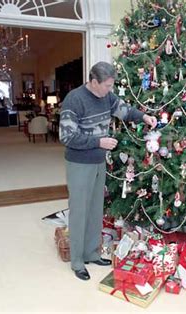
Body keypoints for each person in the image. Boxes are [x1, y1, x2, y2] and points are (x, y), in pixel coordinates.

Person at [59, 61, 157, 281]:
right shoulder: (74, 100)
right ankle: (77, 261)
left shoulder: (107, 97)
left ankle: (92, 253)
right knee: (79, 210)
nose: (110, 90)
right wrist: (99, 142)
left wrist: (144, 117)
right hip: (79, 163)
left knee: (95, 208)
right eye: (107, 85)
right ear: (94, 82)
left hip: (98, 161)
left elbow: (124, 110)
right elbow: (66, 136)